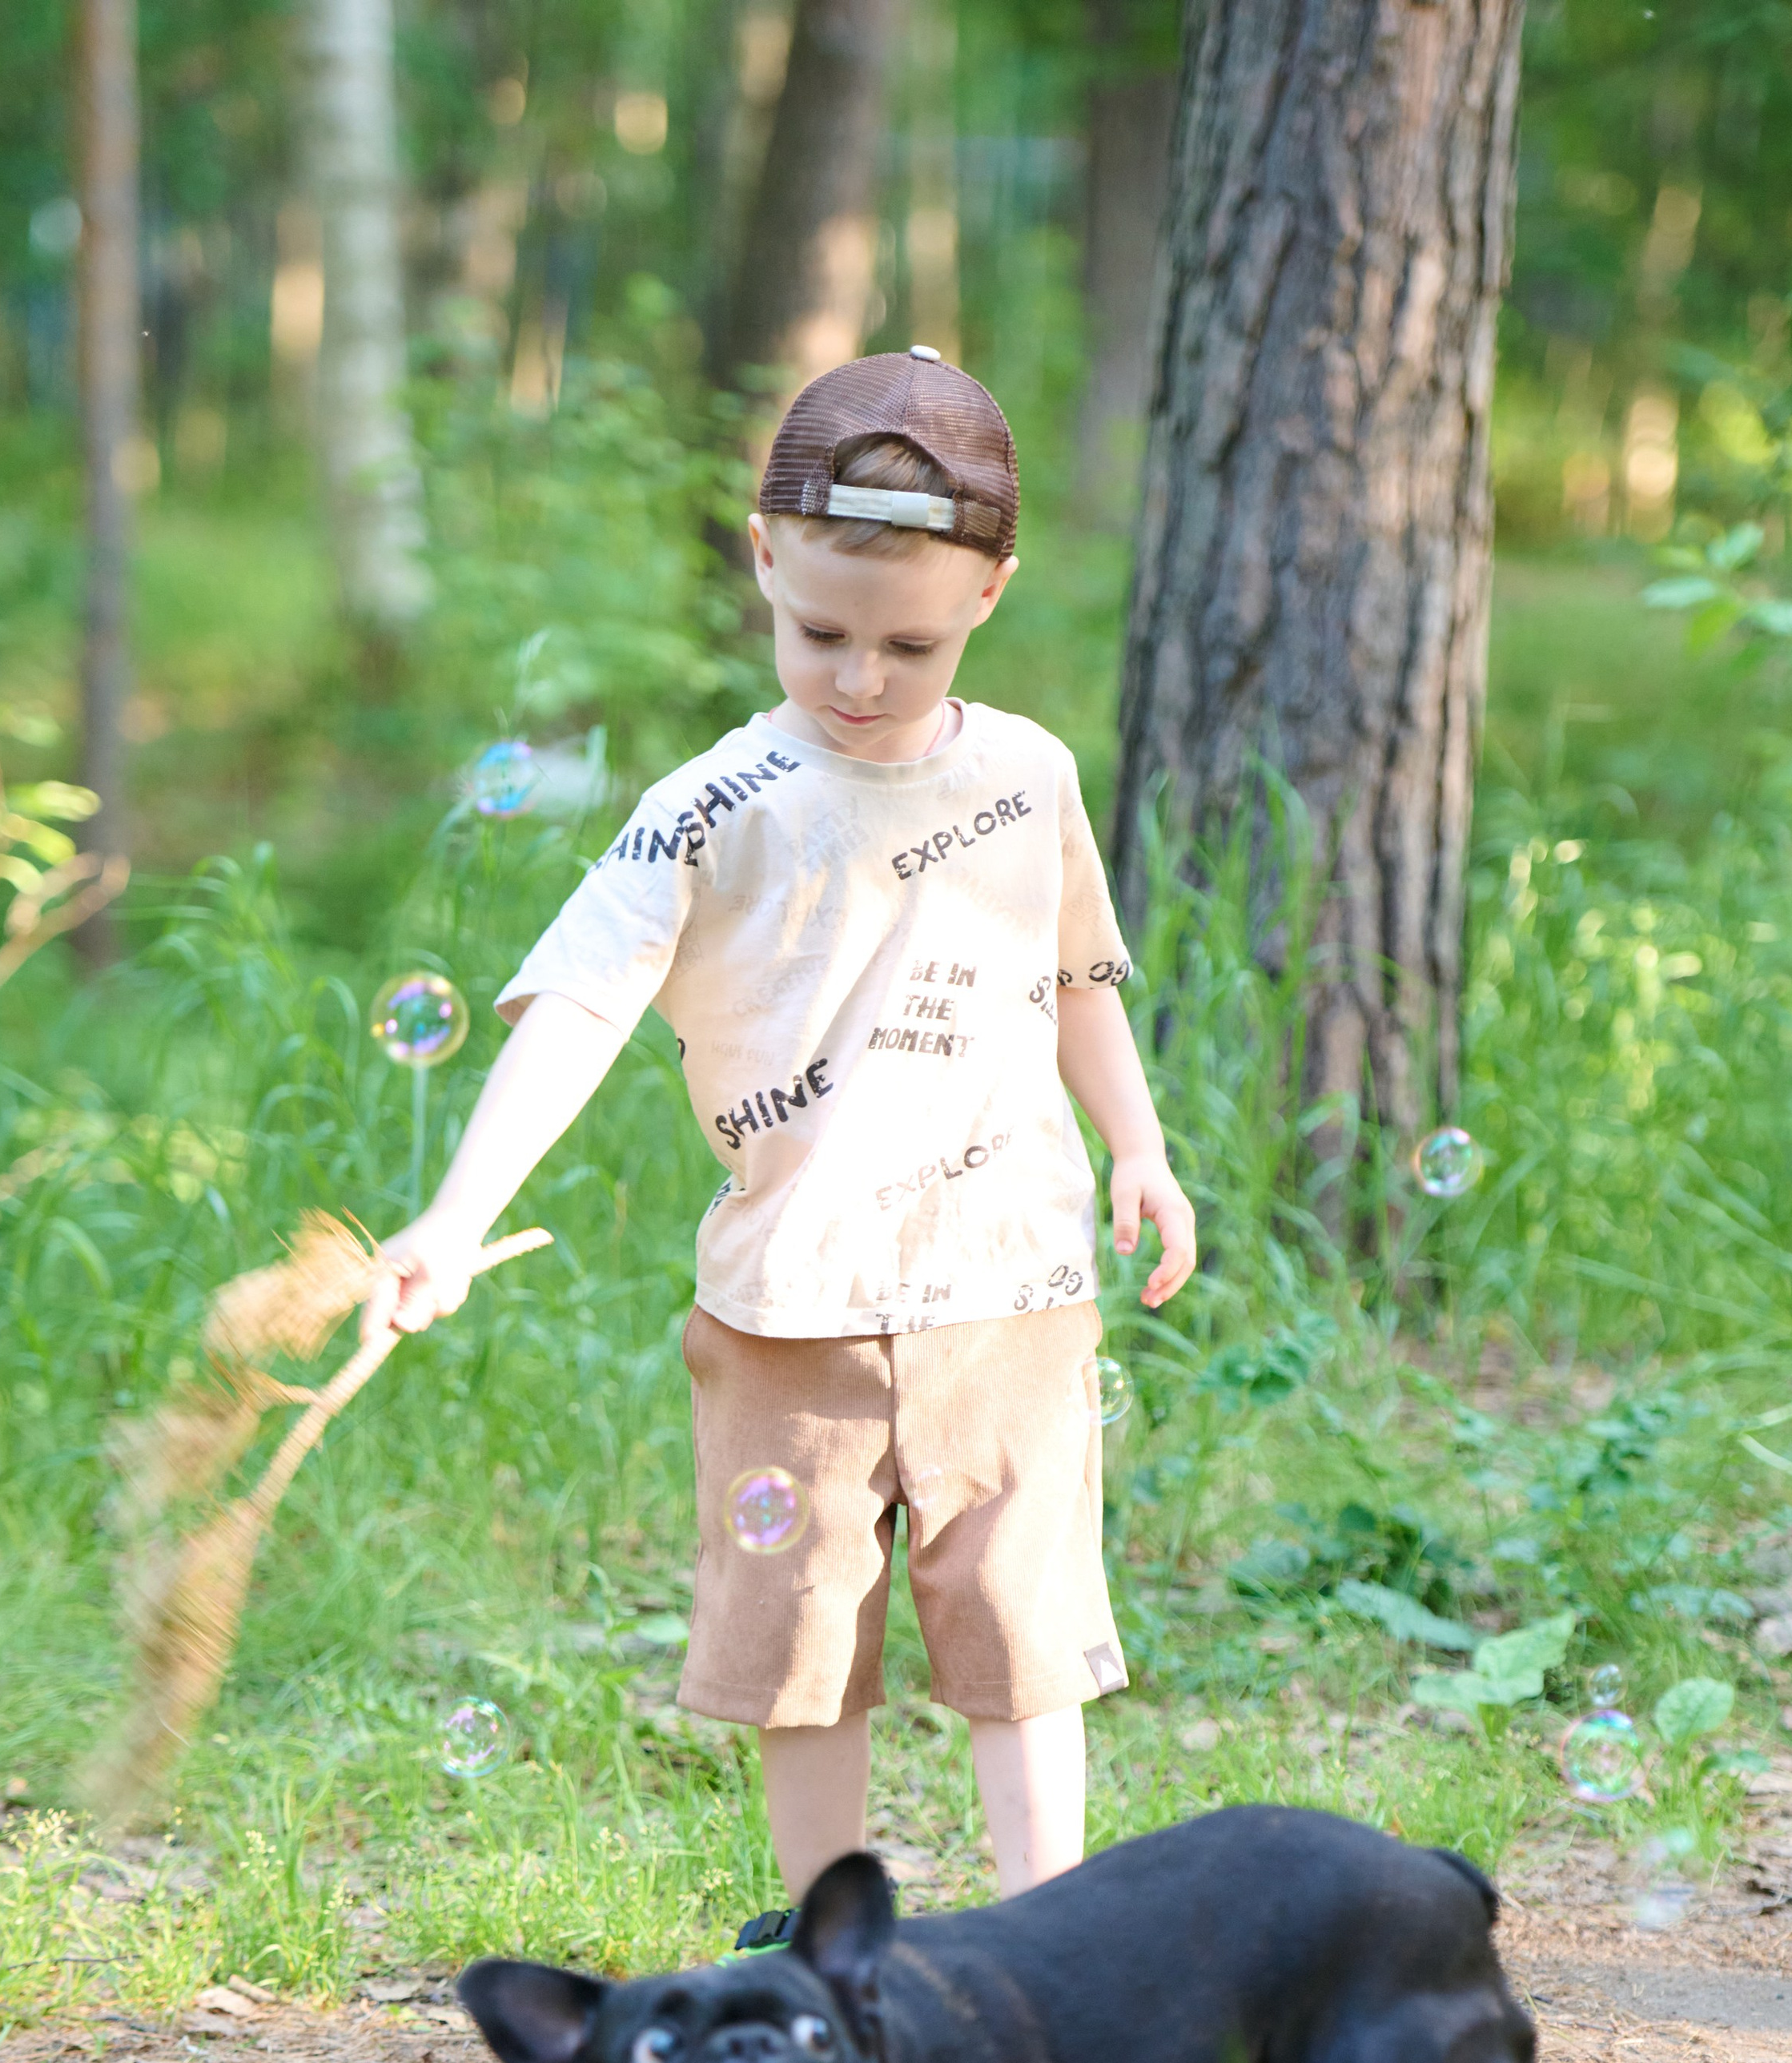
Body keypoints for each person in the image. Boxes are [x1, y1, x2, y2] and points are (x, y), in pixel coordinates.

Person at [365, 347, 1195, 1924]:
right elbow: (579, 1013)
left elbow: (1077, 975)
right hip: (787, 1306)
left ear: (990, 598)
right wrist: (456, 1217)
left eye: (910, 644)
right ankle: (830, 1943)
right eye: (822, 632)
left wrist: (1138, 1149)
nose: (861, 678)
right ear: (761, 559)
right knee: (803, 1640)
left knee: (1021, 1629)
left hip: (1011, 1281)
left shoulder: (1026, 776)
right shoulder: (707, 807)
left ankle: (1053, 1937)